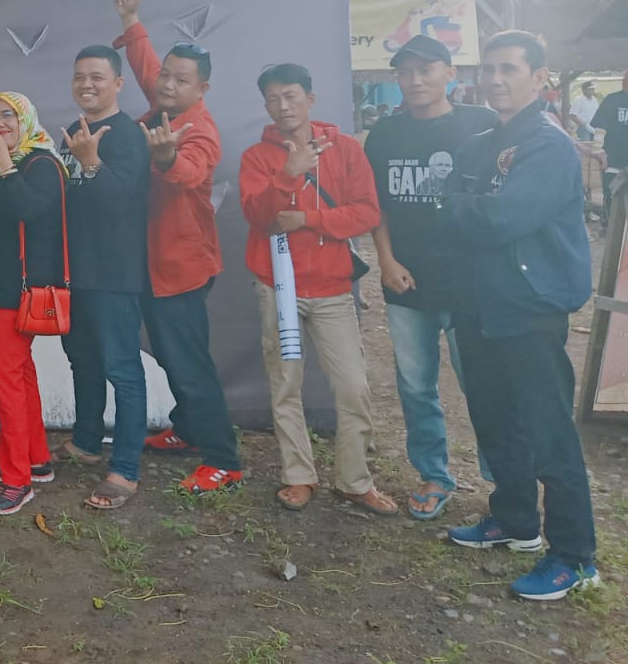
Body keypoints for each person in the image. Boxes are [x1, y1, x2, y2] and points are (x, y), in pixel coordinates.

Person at [441, 32, 601, 601]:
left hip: (530, 308)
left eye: (509, 68)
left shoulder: (549, 145)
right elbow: (451, 206)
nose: (495, 79)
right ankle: (514, 520)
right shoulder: (482, 143)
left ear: (539, 78)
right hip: (477, 304)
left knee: (549, 434)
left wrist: (463, 208)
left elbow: (502, 218)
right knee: (495, 421)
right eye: (488, 69)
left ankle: (575, 557)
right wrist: (465, 209)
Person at [107, 0, 243, 494]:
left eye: (180, 79)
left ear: (200, 89)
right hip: (151, 263)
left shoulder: (200, 129)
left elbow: (191, 172)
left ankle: (224, 460)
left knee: (188, 364)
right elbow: (146, 65)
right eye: (166, 74)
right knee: (170, 356)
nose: (166, 83)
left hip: (180, 270)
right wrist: (130, 20)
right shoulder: (165, 100)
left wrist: (165, 158)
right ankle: (187, 429)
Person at [240, 64, 392, 515]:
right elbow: (258, 216)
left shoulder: (344, 149)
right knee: (285, 383)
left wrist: (309, 218)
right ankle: (298, 475)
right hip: (279, 289)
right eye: (273, 99)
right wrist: (288, 174)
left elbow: (366, 212)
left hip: (332, 289)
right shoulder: (257, 157)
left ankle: (354, 481)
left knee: (353, 387)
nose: (283, 106)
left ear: (310, 98)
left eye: (290, 96)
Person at [363, 34, 497, 521]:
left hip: (469, 284)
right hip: (406, 281)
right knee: (415, 385)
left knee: (482, 384)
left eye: (426, 69)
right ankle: (434, 474)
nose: (416, 80)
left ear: (450, 73)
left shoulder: (483, 125)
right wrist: (386, 260)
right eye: (406, 72)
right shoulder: (385, 134)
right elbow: (377, 207)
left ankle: (504, 481)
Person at [57, 45, 150, 511]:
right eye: (79, 76)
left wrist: (92, 162)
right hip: (75, 274)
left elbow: (124, 204)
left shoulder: (129, 136)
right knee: (83, 361)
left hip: (115, 275)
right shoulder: (71, 133)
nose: (87, 84)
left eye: (97, 76)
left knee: (122, 370)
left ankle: (125, 469)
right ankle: (87, 441)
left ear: (118, 83)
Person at [0, 91, 64, 516]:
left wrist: (5, 164)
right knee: (21, 374)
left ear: (26, 118)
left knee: (3, 379)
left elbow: (31, 211)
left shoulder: (41, 164)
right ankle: (36, 457)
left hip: (18, 292)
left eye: (8, 115)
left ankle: (17, 481)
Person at [595, 73, 628, 221]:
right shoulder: (612, 100)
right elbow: (600, 129)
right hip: (613, 162)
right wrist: (599, 152)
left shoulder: (611, 99)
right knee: (611, 198)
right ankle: (609, 228)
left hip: (616, 161)